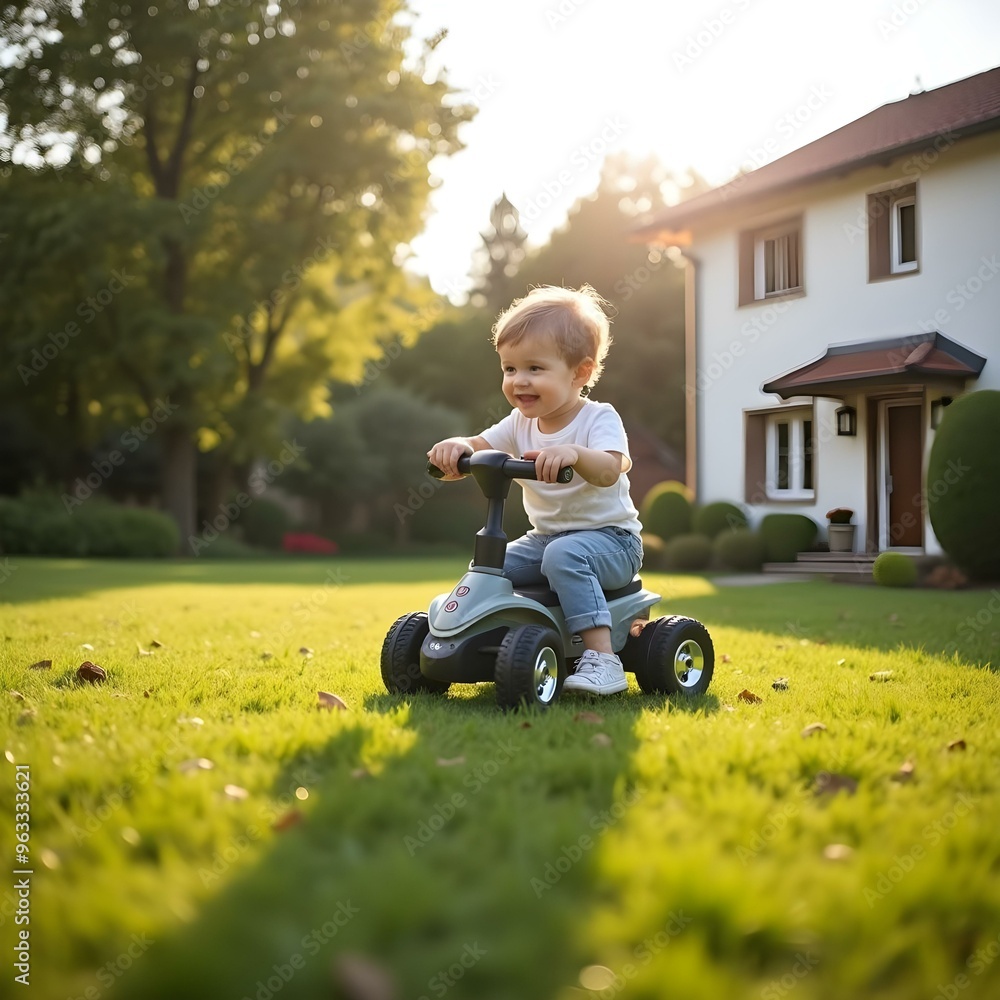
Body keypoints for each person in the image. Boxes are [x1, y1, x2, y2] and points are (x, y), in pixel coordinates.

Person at [427, 284, 643, 695]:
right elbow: (481, 445)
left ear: (579, 371)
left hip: (612, 541)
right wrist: (460, 447)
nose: (518, 381)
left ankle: (602, 659)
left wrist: (575, 454)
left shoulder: (598, 419)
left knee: (566, 554)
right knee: (492, 568)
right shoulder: (517, 423)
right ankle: (492, 643)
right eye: (510, 369)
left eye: (534, 369)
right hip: (545, 539)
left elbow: (609, 469)